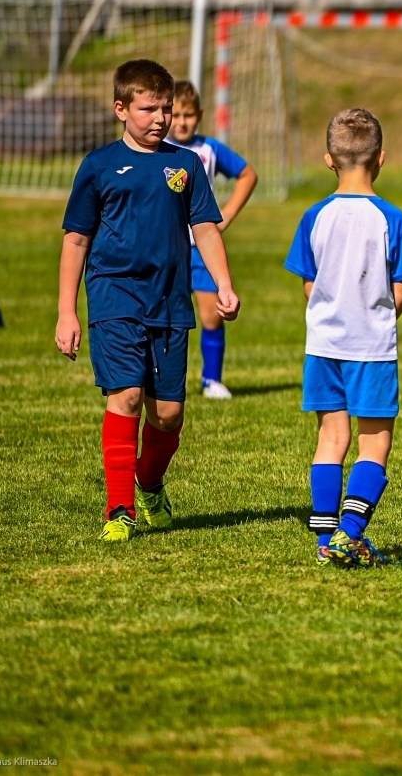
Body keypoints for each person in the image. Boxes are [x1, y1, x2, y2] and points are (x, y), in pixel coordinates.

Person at [55, 59, 238, 541]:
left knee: (169, 413)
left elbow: (205, 228)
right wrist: (67, 311)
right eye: (148, 109)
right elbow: (76, 240)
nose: (160, 118)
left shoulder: (185, 165)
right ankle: (120, 509)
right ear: (121, 109)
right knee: (127, 396)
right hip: (114, 296)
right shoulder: (97, 167)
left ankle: (150, 481)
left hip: (171, 301)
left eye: (166, 108)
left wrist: (223, 283)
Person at [286, 109, 402, 567]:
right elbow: (400, 288)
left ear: (329, 160)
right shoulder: (392, 218)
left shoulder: (314, 216)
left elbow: (309, 283)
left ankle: (326, 543)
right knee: (374, 443)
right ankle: (349, 534)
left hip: (323, 346)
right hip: (372, 348)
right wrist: (379, 314)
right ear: (380, 159)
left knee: (330, 439)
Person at [168, 81, 258, 399]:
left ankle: (212, 380)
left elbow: (248, 174)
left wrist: (228, 215)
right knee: (166, 317)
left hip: (201, 248)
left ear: (200, 115)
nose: (181, 121)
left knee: (210, 314)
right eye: (175, 114)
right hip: (165, 250)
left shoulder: (209, 150)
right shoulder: (156, 149)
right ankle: (164, 380)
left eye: (188, 115)